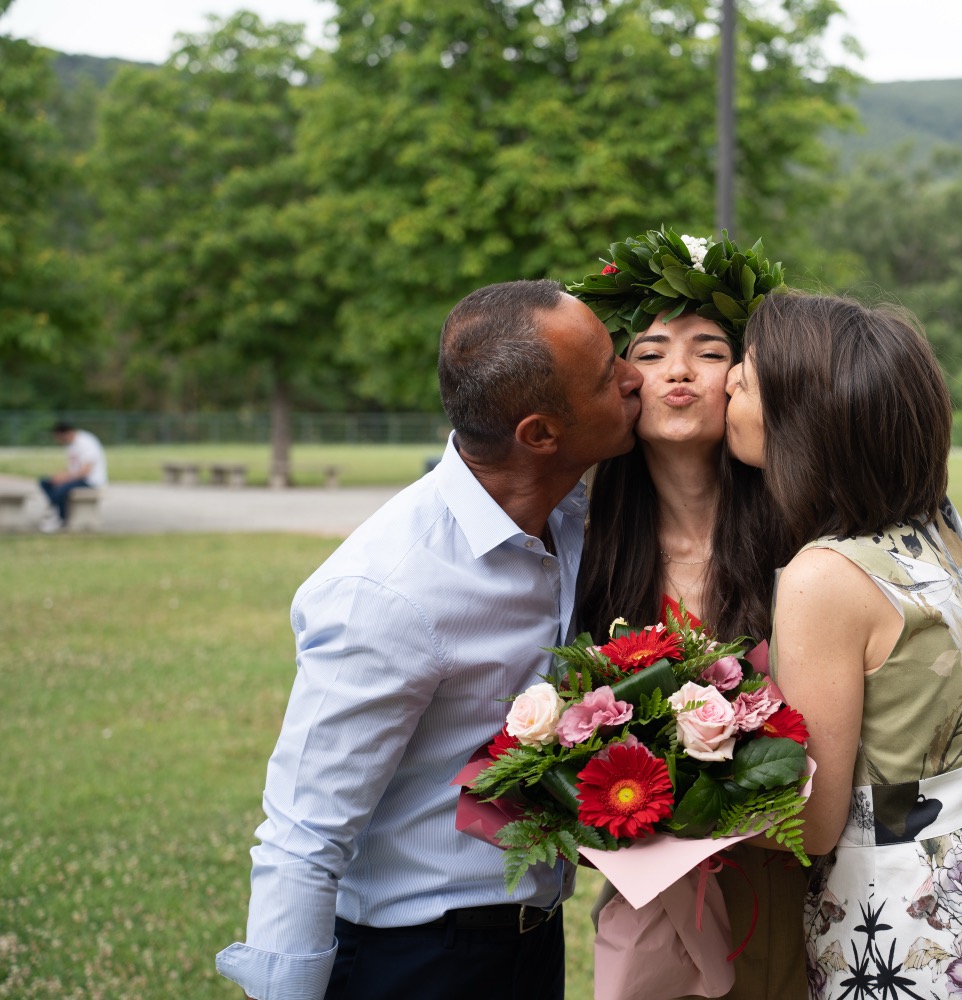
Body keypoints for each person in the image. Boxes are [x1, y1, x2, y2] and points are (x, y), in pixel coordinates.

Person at [215, 280, 643, 1000]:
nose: (635, 378)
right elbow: (303, 836)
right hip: (415, 962)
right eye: (609, 375)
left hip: (531, 946)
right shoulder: (386, 591)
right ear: (539, 433)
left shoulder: (571, 519)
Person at [727, 293, 962, 999]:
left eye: (747, 378)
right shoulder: (941, 524)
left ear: (804, 420)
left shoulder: (827, 576)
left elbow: (814, 823)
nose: (727, 380)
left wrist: (660, 810)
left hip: (904, 917)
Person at [568, 231, 806, 999]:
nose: (677, 370)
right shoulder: (581, 548)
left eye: (707, 351)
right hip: (657, 895)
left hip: (800, 875)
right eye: (649, 350)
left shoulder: (804, 540)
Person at [38, 420, 107, 533]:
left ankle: (61, 518)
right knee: (45, 482)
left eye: (60, 438)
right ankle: (56, 509)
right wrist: (58, 477)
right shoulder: (70, 445)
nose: (59, 441)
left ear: (68, 433)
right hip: (78, 478)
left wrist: (64, 479)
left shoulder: (86, 442)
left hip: (91, 481)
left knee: (60, 490)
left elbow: (85, 471)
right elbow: (72, 469)